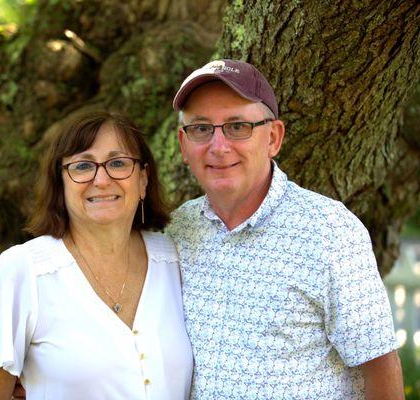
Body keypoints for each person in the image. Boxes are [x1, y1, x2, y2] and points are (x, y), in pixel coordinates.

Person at [165, 59, 404, 399]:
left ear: (273, 138)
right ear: (183, 144)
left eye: (237, 127)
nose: (218, 146)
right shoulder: (177, 231)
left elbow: (380, 370)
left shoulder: (330, 232)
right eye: (201, 128)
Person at [0, 111, 193, 399]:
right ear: (60, 183)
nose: (101, 180)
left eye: (118, 163)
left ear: (143, 180)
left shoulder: (177, 261)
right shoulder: (23, 272)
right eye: (83, 166)